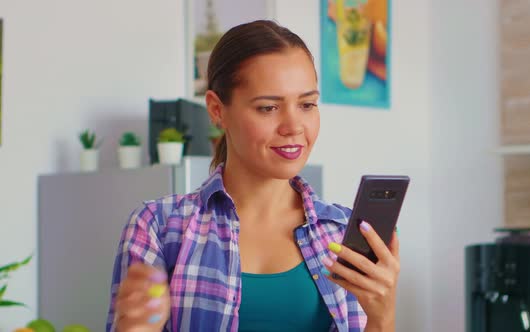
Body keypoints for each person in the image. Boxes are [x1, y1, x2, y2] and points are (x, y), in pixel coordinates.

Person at [107, 20, 400, 332]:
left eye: (307, 104)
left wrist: (382, 318)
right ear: (217, 110)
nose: (294, 126)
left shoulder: (345, 233)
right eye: (268, 108)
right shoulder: (158, 226)